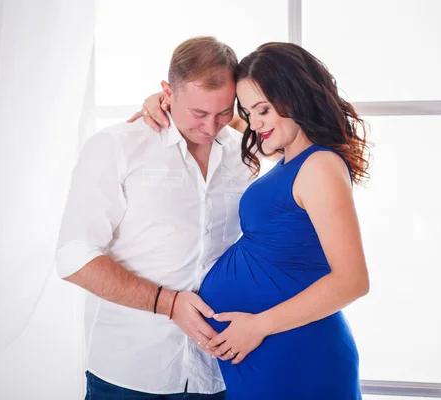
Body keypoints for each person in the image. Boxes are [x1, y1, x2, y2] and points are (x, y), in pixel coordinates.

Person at [136, 42, 370, 399]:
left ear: (295, 97)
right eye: (247, 111)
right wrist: (167, 99)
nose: (254, 123)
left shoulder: (319, 166)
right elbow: (213, 114)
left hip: (297, 353)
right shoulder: (290, 157)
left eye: (262, 110)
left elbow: (353, 281)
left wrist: (258, 326)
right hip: (265, 354)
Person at [55, 36, 256, 399]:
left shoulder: (245, 154)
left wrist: (239, 122)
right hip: (130, 375)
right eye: (198, 113)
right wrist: (167, 302)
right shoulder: (117, 146)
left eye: (223, 112)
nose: (211, 128)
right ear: (168, 91)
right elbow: (73, 256)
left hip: (221, 373)